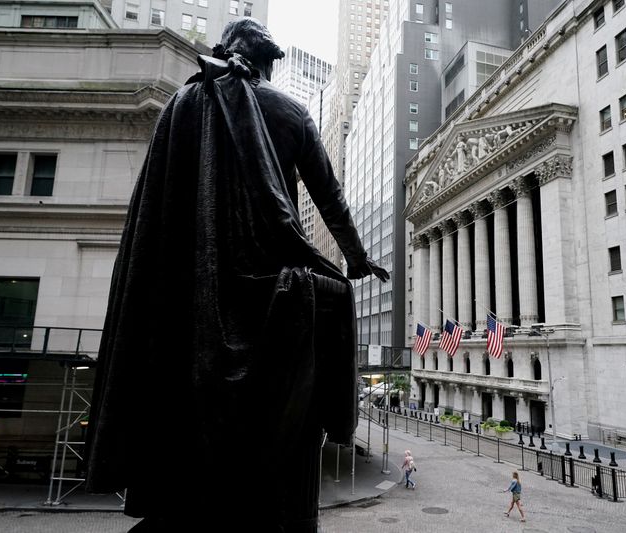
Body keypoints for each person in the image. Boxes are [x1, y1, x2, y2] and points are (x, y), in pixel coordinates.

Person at [85, 17, 388, 533]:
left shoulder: (184, 104)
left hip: (190, 290)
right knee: (332, 300)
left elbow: (160, 212)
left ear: (228, 51)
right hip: (269, 282)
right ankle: (323, 435)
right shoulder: (291, 111)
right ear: (267, 65)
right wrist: (355, 260)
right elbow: (329, 197)